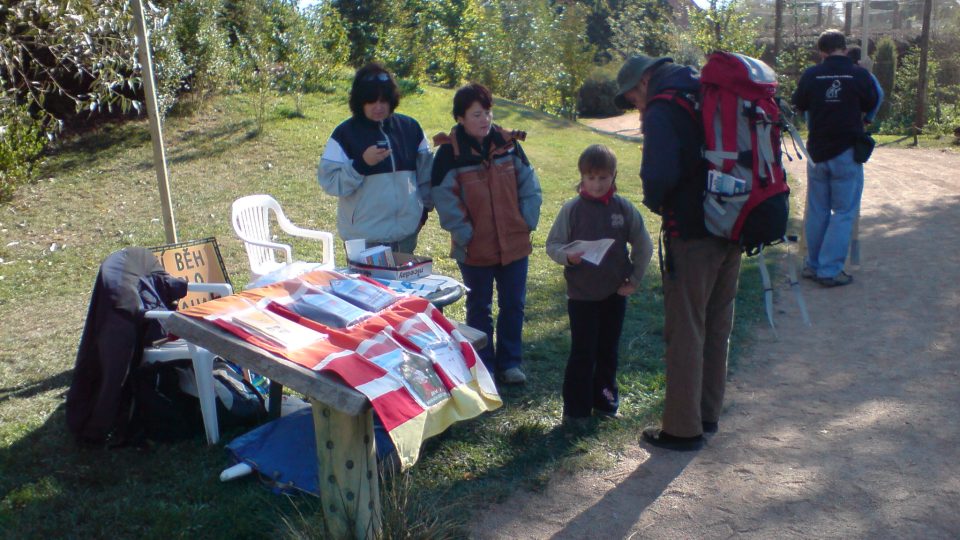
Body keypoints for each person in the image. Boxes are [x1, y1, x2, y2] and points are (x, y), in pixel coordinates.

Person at [614, 54, 742, 451]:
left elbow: (659, 176)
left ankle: (682, 430)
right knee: (717, 322)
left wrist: (658, 201)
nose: (636, 108)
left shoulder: (662, 107)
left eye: (633, 99)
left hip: (692, 231)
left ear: (642, 83)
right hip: (733, 220)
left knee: (686, 328)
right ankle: (707, 413)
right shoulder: (704, 90)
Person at [431, 83, 542, 385]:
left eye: (488, 113)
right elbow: (444, 199)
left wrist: (526, 221)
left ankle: (510, 362)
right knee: (479, 307)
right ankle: (484, 366)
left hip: (514, 242)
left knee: (513, 304)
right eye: (477, 114)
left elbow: (529, 186)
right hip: (474, 248)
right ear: (460, 118)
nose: (484, 120)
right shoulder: (448, 154)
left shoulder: (508, 144)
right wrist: (466, 234)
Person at [545, 144, 653, 426]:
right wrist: (567, 256)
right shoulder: (572, 209)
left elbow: (643, 244)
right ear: (582, 177)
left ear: (613, 176)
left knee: (607, 351)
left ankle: (605, 402)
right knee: (583, 352)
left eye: (603, 178)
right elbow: (552, 244)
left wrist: (635, 278)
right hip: (581, 295)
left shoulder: (623, 208)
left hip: (614, 293)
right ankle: (575, 411)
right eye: (590, 177)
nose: (596, 184)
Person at [793, 30, 879, 287]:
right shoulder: (858, 74)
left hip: (817, 152)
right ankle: (830, 270)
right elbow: (874, 100)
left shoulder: (811, 74)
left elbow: (798, 105)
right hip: (846, 151)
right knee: (843, 212)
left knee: (818, 210)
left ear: (822, 51)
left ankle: (813, 265)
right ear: (844, 48)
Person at [318, 62, 432, 255]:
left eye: (384, 101)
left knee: (402, 286)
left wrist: (423, 214)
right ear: (359, 101)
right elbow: (330, 183)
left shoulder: (411, 129)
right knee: (366, 287)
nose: (378, 107)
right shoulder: (344, 134)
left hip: (405, 236)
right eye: (371, 101)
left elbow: (427, 176)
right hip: (363, 239)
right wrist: (361, 165)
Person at [846, 46, 884, 125]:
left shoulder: (866, 75)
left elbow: (880, 93)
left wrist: (868, 118)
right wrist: (868, 118)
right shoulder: (866, 75)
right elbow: (880, 94)